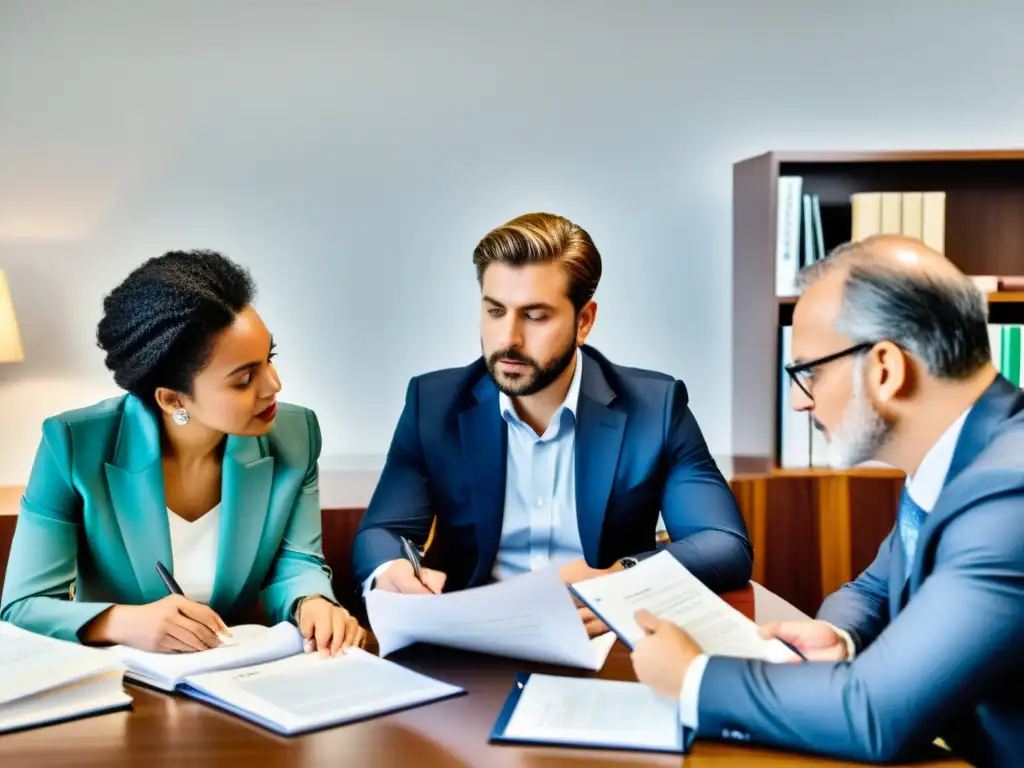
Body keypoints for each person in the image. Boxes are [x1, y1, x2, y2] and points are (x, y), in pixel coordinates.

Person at [631, 235, 1024, 766]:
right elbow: (875, 590)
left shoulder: (1007, 494)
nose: (798, 401)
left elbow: (874, 713)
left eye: (809, 372)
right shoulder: (960, 457)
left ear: (885, 368)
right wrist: (839, 636)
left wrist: (691, 676)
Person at [353, 212, 752, 635]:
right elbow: (382, 531)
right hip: (472, 640)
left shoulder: (655, 408)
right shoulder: (432, 404)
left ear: (584, 321)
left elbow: (723, 542)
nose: (508, 338)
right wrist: (390, 568)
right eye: (495, 311)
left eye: (536, 316)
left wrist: (623, 577)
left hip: (602, 635)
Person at [1, 250, 366, 656]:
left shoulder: (296, 434)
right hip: (122, 685)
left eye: (270, 359)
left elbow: (297, 562)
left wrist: (312, 601)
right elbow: (22, 607)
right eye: (244, 378)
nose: (273, 385)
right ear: (173, 399)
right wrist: (122, 621)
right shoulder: (72, 444)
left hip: (237, 672)